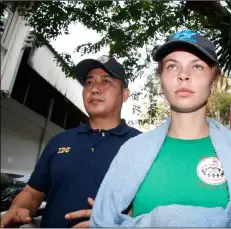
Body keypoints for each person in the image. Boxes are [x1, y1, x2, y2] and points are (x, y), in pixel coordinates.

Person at [89, 30, 231, 227]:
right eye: (172, 66)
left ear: (214, 79)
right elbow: (103, 222)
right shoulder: (131, 151)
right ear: (161, 79)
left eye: (197, 66)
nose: (183, 76)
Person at [0, 55, 141, 228]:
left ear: (124, 95)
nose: (95, 89)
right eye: (89, 83)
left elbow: (150, 206)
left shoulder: (142, 145)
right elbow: (32, 192)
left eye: (106, 82)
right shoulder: (59, 141)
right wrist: (19, 207)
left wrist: (116, 220)